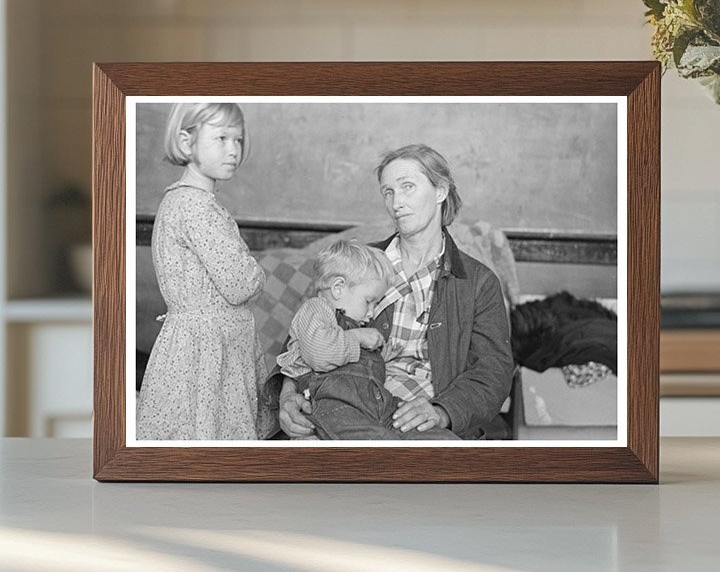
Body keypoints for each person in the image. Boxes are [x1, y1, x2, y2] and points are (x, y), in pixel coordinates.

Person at [277, 144, 514, 440]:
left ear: (440, 191)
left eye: (407, 187)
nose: (396, 202)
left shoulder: (478, 282)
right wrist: (287, 397)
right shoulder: (356, 263)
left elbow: (493, 372)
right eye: (388, 192)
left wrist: (442, 411)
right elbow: (302, 337)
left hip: (421, 418)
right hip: (347, 407)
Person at [136, 102, 265, 441]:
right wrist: (255, 271)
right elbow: (241, 283)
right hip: (207, 350)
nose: (233, 150)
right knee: (208, 437)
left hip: (205, 343)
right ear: (185, 142)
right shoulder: (197, 207)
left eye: (238, 140)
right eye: (221, 138)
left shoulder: (184, 201)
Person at [277, 239, 460, 441]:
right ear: (338, 288)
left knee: (440, 440)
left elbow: (352, 362)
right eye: (369, 301)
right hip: (335, 405)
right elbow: (320, 354)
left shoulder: (351, 322)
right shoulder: (316, 309)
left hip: (376, 405)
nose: (372, 313)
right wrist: (357, 337)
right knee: (381, 445)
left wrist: (380, 357)